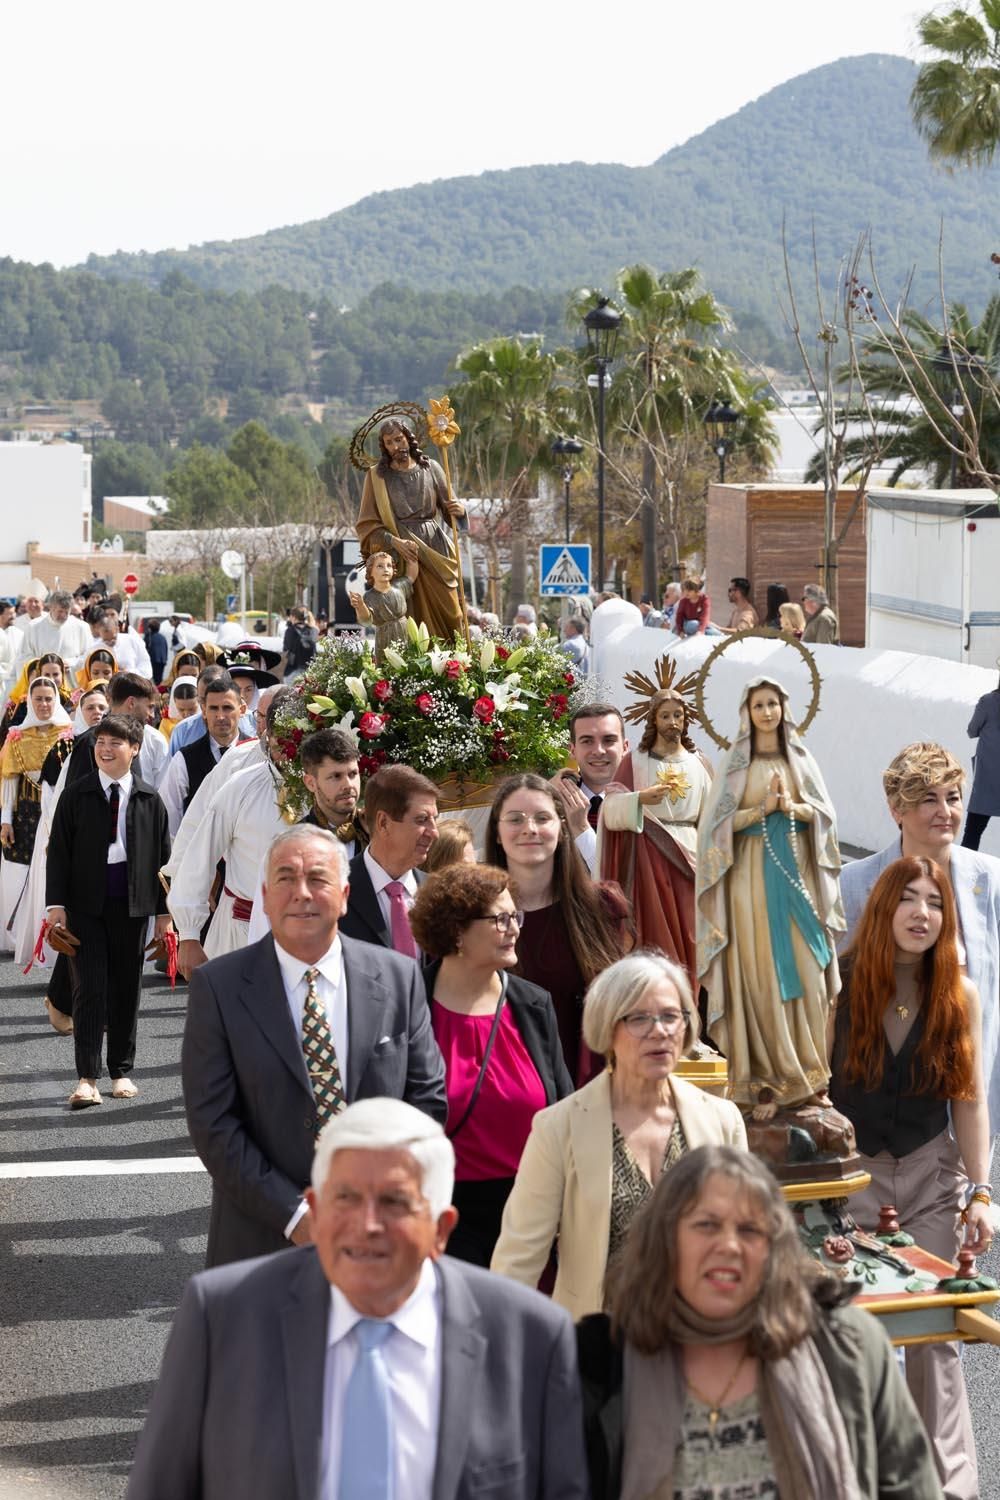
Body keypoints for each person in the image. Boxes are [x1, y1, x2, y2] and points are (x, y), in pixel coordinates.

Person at [126, 1098, 589, 1500]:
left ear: (442, 1230)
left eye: (393, 1202)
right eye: (345, 1198)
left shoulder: (532, 1337)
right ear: (317, 1208)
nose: (367, 1224)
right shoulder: (223, 1317)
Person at [577, 1145, 942, 1500]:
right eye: (706, 1225)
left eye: (750, 1230)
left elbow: (911, 1487)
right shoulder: (599, 1367)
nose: (729, 1246)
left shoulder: (848, 1347)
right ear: (664, 1241)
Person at [181, 826, 446, 1266]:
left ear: (344, 894)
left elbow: (425, 1098)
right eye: (286, 878)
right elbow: (214, 1123)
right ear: (265, 896)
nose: (301, 893)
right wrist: (297, 1216)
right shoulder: (220, 987)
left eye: (318, 879)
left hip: (380, 1230)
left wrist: (375, 1196)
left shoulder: (399, 977)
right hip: (262, 1238)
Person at [829, 856, 989, 1499]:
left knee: (936, 1337)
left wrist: (982, 1191)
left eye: (935, 903)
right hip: (850, 1178)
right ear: (882, 907)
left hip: (930, 1175)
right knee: (843, 1330)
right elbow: (813, 1085)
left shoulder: (961, 992)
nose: (922, 913)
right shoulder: (836, 982)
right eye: (909, 899)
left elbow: (970, 1100)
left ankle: (949, 1490)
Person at [492, 954, 746, 1317]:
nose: (659, 1031)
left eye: (671, 1016)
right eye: (639, 1018)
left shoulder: (723, 1120)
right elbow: (518, 1258)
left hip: (703, 1345)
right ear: (607, 1028)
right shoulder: (559, 1127)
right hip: (603, 1351)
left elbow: (746, 1239)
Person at [409, 864, 573, 1266]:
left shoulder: (534, 1004)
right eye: (500, 919)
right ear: (457, 930)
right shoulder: (409, 1004)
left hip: (530, 1212)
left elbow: (564, 1110)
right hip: (441, 1216)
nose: (515, 928)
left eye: (515, 916)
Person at [697, 677, 844, 1120]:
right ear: (748, 711)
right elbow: (713, 831)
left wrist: (792, 810)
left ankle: (809, 1076)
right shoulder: (735, 765)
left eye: (773, 703)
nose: (766, 712)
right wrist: (759, 812)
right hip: (749, 889)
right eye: (759, 704)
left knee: (808, 970)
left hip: (795, 881)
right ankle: (761, 1079)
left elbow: (825, 820)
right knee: (758, 974)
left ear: (784, 709)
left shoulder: (800, 760)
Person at [841, 741, 1000, 1136]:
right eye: (930, 799)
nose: (946, 812)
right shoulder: (855, 883)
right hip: (880, 1094)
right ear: (897, 809)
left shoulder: (992, 881)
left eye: (954, 798)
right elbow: (833, 989)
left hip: (967, 1087)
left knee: (968, 1194)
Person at [45, 713, 173, 1109]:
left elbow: (162, 859)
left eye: (115, 742)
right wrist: (56, 905)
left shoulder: (150, 799)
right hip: (84, 905)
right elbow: (59, 853)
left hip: (131, 906)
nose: (105, 748)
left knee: (126, 987)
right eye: (101, 741)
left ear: (134, 749)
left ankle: (121, 1071)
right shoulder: (77, 794)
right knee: (89, 987)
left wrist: (165, 914)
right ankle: (87, 1077)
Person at [485, 773, 629, 1084]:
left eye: (542, 817)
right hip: (504, 1094)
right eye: (515, 819)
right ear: (497, 832)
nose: (530, 829)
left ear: (563, 829)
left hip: (587, 1095)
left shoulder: (600, 909)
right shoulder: (473, 918)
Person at [170, 691, 297, 973]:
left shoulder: (327, 789)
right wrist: (189, 932)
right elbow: (197, 842)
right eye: (281, 738)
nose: (289, 750)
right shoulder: (240, 780)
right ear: (267, 733)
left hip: (308, 936)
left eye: (298, 739)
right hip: (240, 928)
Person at [600, 688, 712, 988]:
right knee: (659, 942)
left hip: (692, 858)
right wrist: (639, 799)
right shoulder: (634, 761)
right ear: (653, 720)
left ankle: (692, 1002)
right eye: (665, 716)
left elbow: (714, 818)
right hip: (650, 858)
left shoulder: (700, 763)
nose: (672, 722)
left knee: (693, 936)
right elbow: (609, 808)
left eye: (678, 715)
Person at [357, 418, 466, 643]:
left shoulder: (432, 468)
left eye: (399, 439)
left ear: (409, 438)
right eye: (389, 442)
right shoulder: (377, 477)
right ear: (384, 447)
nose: (396, 446)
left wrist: (460, 512)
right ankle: (417, 671)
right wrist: (395, 542)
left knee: (453, 613)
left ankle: (456, 664)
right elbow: (367, 525)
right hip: (402, 554)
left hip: (436, 548)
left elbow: (450, 510)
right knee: (411, 617)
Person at [0, 678, 74, 955]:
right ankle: (15, 938)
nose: (44, 704)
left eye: (48, 699)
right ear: (29, 702)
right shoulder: (17, 735)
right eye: (38, 699)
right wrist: (5, 820)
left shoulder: (69, 733)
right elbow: (9, 780)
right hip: (26, 812)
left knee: (50, 873)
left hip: (58, 811)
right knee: (18, 872)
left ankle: (51, 936)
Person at [339, 764, 439, 955]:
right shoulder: (335, 891)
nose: (434, 833)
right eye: (421, 820)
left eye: (435, 819)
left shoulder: (438, 893)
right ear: (383, 823)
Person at [158, 674, 245, 835]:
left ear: (242, 710)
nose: (220, 716)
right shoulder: (184, 759)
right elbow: (169, 812)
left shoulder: (255, 753)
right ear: (204, 711)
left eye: (227, 708)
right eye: (213, 708)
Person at [550, 702, 627, 875]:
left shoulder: (645, 805)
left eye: (609, 740)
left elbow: (621, 879)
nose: (598, 751)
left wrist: (580, 827)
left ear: (625, 747)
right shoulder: (552, 802)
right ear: (572, 750)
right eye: (587, 741)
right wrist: (543, 795)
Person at [61, 671, 169, 791]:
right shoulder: (90, 741)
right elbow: (73, 796)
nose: (152, 715)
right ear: (131, 702)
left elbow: (162, 792)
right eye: (149, 707)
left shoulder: (155, 739)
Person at [348, 548, 419, 663]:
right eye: (380, 566)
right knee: (386, 666)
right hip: (384, 636)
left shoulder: (399, 587)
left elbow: (411, 576)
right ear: (370, 571)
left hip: (405, 631)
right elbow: (367, 621)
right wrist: (360, 606)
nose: (385, 569)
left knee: (408, 663)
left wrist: (412, 555)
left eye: (389, 565)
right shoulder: (369, 596)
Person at [963, 663, 1000, 850]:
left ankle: (960, 874)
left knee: (972, 833)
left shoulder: (988, 702)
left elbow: (972, 730)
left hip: (988, 778)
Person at [17, 589, 91, 669]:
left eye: (67, 612)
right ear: (51, 607)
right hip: (43, 678)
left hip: (71, 677)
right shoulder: (33, 627)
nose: (63, 615)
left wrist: (71, 663)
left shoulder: (81, 627)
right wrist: (44, 665)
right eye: (60, 611)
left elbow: (88, 656)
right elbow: (24, 656)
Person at [91, 607, 153, 677]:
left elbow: (146, 669)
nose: (110, 642)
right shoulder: (94, 648)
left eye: (113, 638)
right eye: (106, 641)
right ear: (99, 632)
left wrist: (128, 673)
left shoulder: (132, 641)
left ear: (117, 629)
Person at [144, 617, 168, 684]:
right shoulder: (162, 637)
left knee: (153, 677)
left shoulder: (148, 636)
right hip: (162, 660)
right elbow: (166, 648)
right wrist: (165, 659)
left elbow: (145, 648)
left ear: (149, 628)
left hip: (153, 659)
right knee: (159, 677)